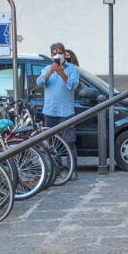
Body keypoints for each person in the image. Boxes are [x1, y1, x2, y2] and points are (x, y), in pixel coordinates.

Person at [38, 42, 79, 177]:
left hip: (65, 112)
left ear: (65, 54)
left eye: (60, 53)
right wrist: (51, 71)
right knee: (52, 143)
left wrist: (62, 74)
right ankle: (58, 169)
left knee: (69, 142)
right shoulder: (46, 69)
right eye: (55, 53)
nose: (57, 55)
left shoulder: (72, 69)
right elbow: (40, 82)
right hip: (50, 111)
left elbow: (72, 85)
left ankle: (72, 170)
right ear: (51, 55)